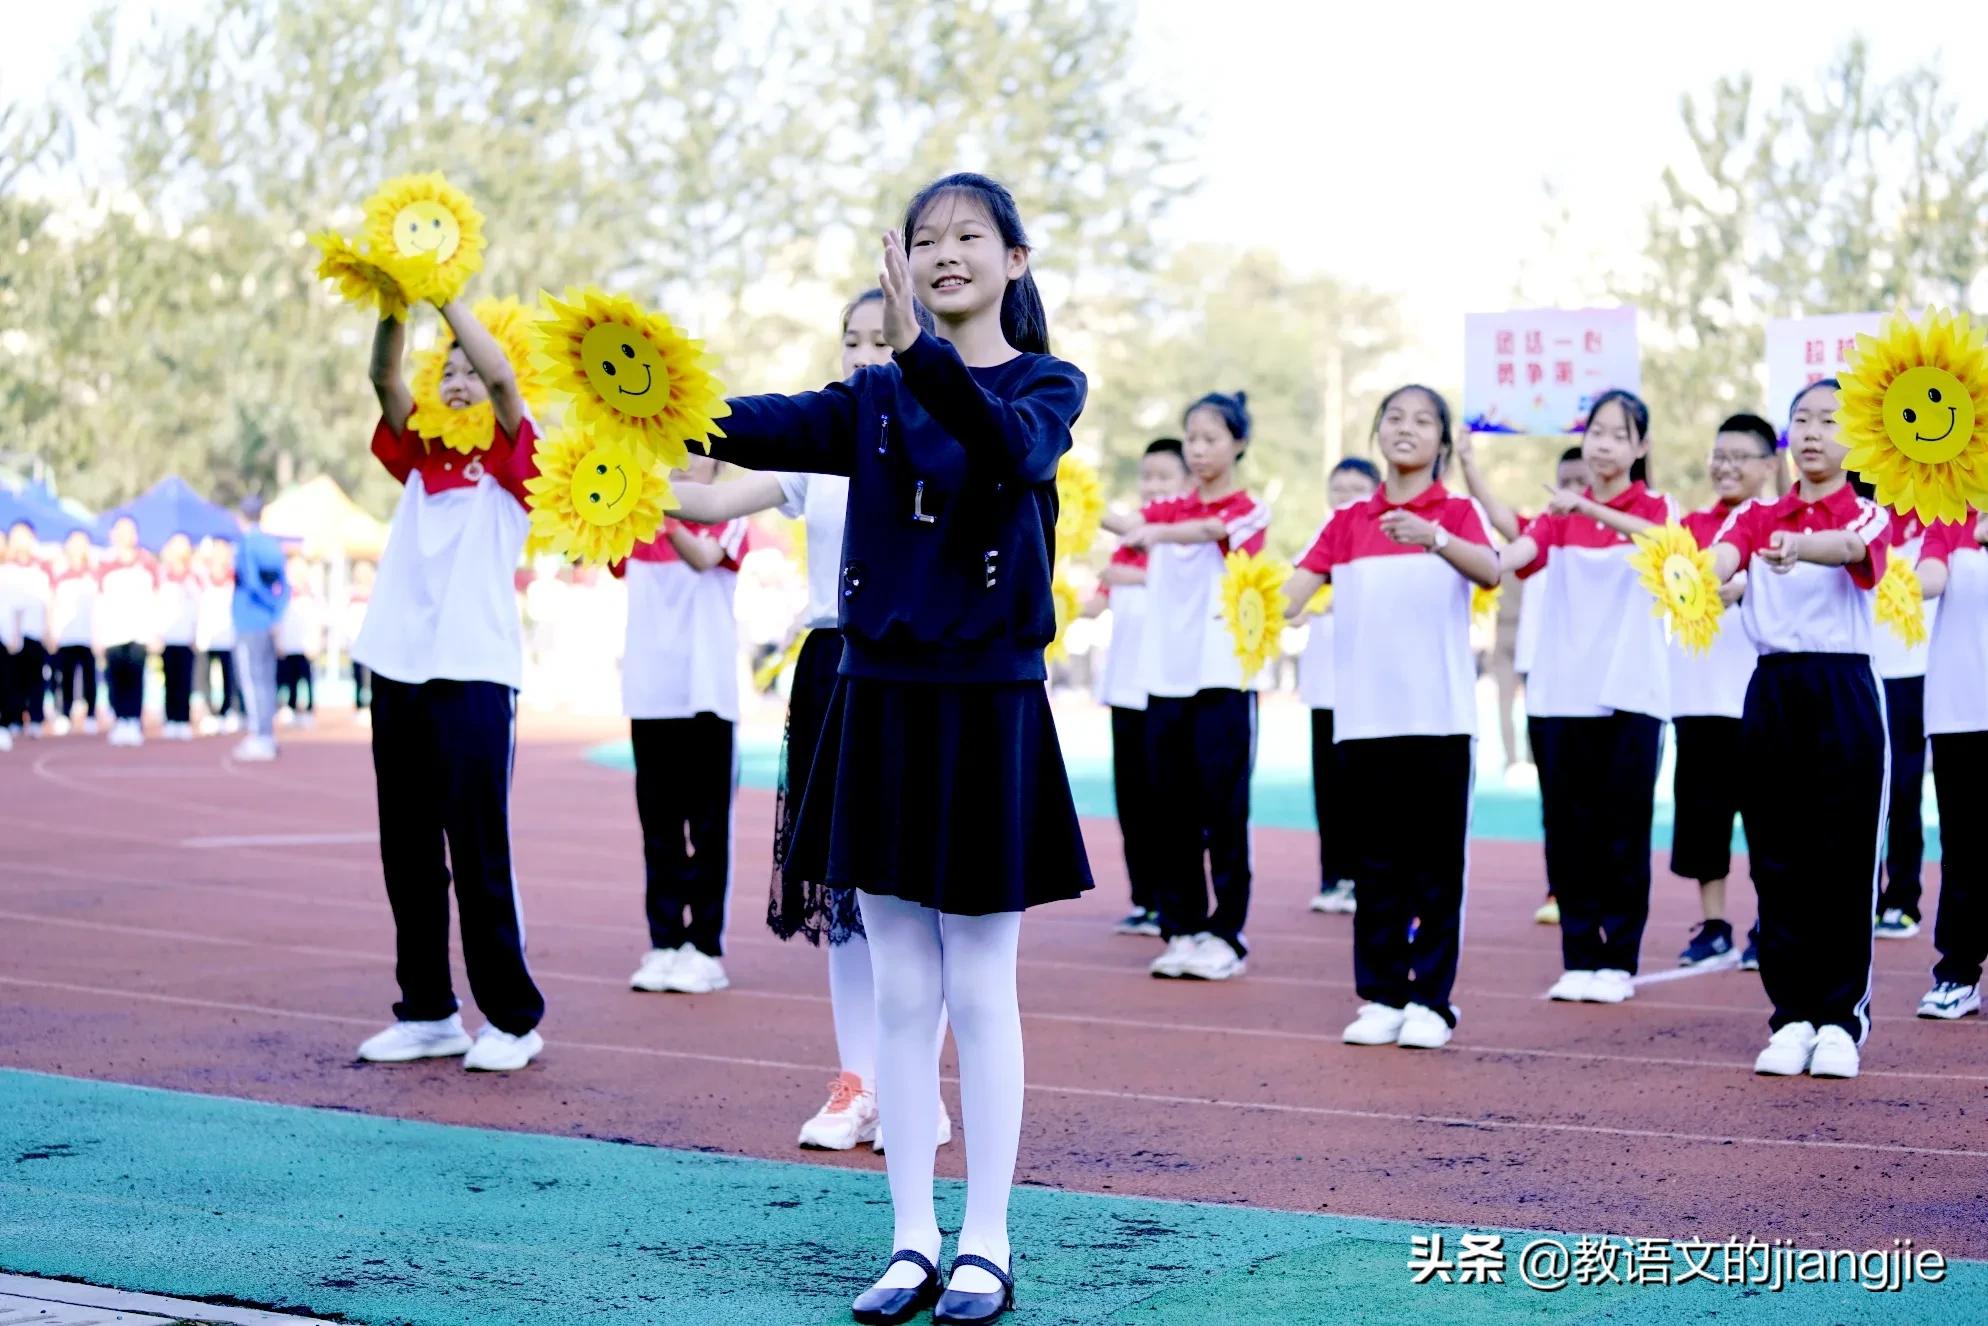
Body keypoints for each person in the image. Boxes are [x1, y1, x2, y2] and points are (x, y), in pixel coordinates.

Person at [704, 172, 1087, 1326]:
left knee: (980, 981)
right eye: (925, 240)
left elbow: (999, 451)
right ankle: (910, 1238)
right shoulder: (866, 400)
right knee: (901, 989)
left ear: (1014, 261)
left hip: (984, 702)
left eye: (968, 237)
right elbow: (754, 421)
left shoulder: (1044, 387)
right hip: (878, 697)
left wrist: (918, 350)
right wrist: (645, 395)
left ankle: (987, 1239)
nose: (944, 253)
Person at [667, 287, 955, 1155]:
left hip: (912, 677)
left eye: (884, 338)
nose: (866, 354)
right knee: (843, 896)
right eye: (851, 340)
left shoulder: (945, 435)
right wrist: (622, 466)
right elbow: (711, 504)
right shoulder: (822, 443)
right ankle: (858, 1081)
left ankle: (917, 1087)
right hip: (830, 670)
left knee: (916, 895)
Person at [351, 295, 548, 1074]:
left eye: (470, 365)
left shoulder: (513, 451)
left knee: (477, 848)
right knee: (405, 848)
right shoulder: (419, 452)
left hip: (473, 669)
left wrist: (448, 297)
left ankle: (512, 1018)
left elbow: (503, 381)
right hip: (398, 662)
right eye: (450, 369)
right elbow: (381, 374)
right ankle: (428, 1010)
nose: (461, 377)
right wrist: (396, 302)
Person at [1284, 386, 1500, 1049]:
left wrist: (1433, 537)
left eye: (1423, 420)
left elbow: (1491, 571)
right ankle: (1380, 994)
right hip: (1365, 722)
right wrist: (1250, 601)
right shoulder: (1347, 521)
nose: (1407, 429)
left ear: (1441, 442)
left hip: (1438, 718)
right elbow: (1288, 597)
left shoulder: (1457, 513)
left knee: (1436, 868)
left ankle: (1432, 1000)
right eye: (1394, 419)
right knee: (1375, 867)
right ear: (1378, 432)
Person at [1706, 379, 1888, 1078]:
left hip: (1841, 687)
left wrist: (1799, 547)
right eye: (1801, 419)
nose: (1812, 432)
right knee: (1778, 860)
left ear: (1856, 438)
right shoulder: (1756, 514)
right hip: (1773, 688)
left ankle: (1842, 1019)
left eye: (1829, 420)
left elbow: (1849, 548)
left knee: (1842, 860)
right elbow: (1723, 557)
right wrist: (1700, 577)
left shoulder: (1868, 513)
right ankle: (1792, 1017)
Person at [1498, 391, 1673, 1004]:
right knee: (1569, 831)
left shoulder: (1657, 507)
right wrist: (1475, 552)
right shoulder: (1558, 516)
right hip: (1561, 692)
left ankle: (1618, 958)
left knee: (1623, 827)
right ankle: (1579, 955)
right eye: (1595, 432)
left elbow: (1662, 543)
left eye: (1617, 434)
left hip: (1631, 690)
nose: (1603, 444)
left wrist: (1592, 511)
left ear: (1640, 447)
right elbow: (1516, 553)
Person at [1104, 390, 1271, 983]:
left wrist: (1155, 532)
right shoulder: (1166, 508)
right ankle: (1182, 926)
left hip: (1222, 679)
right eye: (1192, 439)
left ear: (1238, 444)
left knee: (1222, 811)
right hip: (1166, 680)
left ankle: (1227, 933)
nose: (1200, 451)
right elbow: (1124, 524)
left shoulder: (1248, 509)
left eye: (1211, 440)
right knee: (1168, 810)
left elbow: (1213, 530)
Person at [619, 457, 751, 997]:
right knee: (659, 828)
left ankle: (706, 946)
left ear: (716, 464)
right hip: (651, 695)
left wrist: (662, 511)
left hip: (707, 697)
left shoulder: (732, 513)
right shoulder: (632, 519)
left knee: (709, 828)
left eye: (693, 449)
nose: (679, 459)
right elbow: (586, 548)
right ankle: (665, 942)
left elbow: (703, 560)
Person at [1457, 437, 1588, 924]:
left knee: (1600, 797)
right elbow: (1499, 519)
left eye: (1582, 482)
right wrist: (1470, 464)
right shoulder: (1543, 532)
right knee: (1557, 796)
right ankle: (1560, 888)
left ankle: (1597, 887)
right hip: (1545, 673)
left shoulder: (1619, 534)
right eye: (1566, 481)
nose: (1573, 490)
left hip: (1597, 682)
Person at [1669, 414, 1776, 968]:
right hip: (1699, 696)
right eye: (1719, 455)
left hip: (1762, 699)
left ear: (1768, 465)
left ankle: (1769, 925)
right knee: (1704, 820)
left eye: (1740, 457)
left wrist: (1745, 587)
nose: (1726, 466)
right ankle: (1714, 927)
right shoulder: (1684, 528)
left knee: (1769, 821)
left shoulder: (1783, 527)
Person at [1086, 437, 1190, 937]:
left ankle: (1174, 904)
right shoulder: (1127, 546)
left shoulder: (1177, 536)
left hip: (1163, 690)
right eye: (1147, 476)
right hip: (1122, 690)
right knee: (1132, 803)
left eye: (1164, 477)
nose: (1152, 486)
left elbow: (1146, 559)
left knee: (1167, 802)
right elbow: (1092, 604)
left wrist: (1068, 484)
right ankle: (1144, 899)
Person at [1913, 511, 1988, 1020]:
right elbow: (1930, 578)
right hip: (1961, 706)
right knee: (1963, 846)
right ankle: (1957, 973)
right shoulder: (1949, 517)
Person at [1301, 456, 1381, 916]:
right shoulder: (1323, 537)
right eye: (1339, 488)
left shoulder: (1379, 536)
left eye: (1357, 488)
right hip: (1323, 688)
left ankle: (1365, 875)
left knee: (1363, 790)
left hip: (1365, 690)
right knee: (1328, 789)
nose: (1345, 496)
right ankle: (1333, 876)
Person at [1871, 508, 1934, 940]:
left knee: (1906, 789)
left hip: (1913, 669)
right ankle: (1866, 897)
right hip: (1864, 670)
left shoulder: (1939, 514)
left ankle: (1903, 898)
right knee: (1863, 790)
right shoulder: (1866, 516)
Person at [229, 495, 288, 763]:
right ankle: (266, 733)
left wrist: (265, 604)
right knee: (267, 679)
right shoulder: (272, 545)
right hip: (267, 621)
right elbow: (284, 586)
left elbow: (251, 582)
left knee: (252, 680)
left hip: (248, 619)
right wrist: (276, 611)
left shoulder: (245, 545)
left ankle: (259, 735)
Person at [97, 515, 157, 748]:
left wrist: (155, 630)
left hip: (139, 630)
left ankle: (133, 720)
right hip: (113, 631)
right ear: (113, 535)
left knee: (135, 676)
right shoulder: (105, 564)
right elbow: (99, 601)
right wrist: (98, 633)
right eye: (121, 531)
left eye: (130, 531)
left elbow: (156, 598)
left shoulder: (147, 563)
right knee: (116, 677)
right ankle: (120, 719)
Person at [0, 518, 52, 744]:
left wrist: (50, 630)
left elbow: (49, 602)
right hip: (11, 634)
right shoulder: (6, 570)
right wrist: (13, 632)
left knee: (34, 677)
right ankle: (13, 719)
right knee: (11, 678)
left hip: (35, 631)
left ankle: (37, 719)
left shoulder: (41, 568)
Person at [48, 531, 100, 736]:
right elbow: (51, 603)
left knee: (89, 678)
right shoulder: (59, 573)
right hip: (65, 635)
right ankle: (64, 713)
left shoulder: (94, 573)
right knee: (64, 677)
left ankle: (91, 715)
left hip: (88, 635)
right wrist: (51, 631)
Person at [155, 532, 203, 741]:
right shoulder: (161, 575)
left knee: (185, 679)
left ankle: (183, 719)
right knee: (169, 679)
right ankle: (170, 718)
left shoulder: (194, 577)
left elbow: (200, 608)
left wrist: (196, 633)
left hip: (186, 636)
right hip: (167, 636)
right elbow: (155, 605)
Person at [196, 539, 241, 735]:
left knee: (229, 676)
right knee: (203, 676)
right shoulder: (201, 577)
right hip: (207, 636)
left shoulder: (236, 578)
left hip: (229, 636)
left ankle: (227, 711)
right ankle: (208, 713)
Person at [277, 555, 324, 728]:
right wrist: (279, 641)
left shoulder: (312, 594)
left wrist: (317, 641)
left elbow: (318, 619)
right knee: (288, 677)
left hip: (306, 644)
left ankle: (309, 710)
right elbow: (279, 619)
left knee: (306, 677)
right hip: (288, 643)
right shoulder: (283, 593)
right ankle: (290, 706)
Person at [344, 559, 376, 722]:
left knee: (370, 677)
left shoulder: (376, 590)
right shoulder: (350, 593)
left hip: (371, 643)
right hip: (354, 640)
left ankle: (369, 707)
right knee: (357, 675)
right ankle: (359, 706)